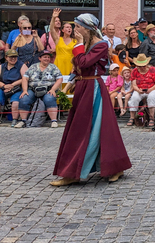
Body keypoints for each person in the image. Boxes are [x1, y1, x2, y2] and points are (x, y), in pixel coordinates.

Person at [50, 14, 131, 186]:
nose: (75, 31)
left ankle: (79, 171)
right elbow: (77, 67)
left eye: (78, 27)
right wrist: (68, 85)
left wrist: (78, 45)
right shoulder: (85, 44)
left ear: (87, 28)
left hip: (93, 89)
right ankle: (106, 167)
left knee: (94, 129)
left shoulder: (100, 45)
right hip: (82, 88)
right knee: (85, 128)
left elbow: (85, 62)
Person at [15, 50, 62, 128]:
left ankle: (54, 121)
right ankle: (23, 121)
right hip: (33, 89)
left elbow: (59, 79)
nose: (47, 59)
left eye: (48, 57)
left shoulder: (53, 67)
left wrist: (53, 89)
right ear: (39, 58)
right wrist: (25, 90)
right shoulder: (33, 66)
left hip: (48, 89)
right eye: (44, 57)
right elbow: (25, 78)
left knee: (49, 99)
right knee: (24, 99)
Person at [128, 54, 155, 128]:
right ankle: (132, 117)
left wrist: (151, 89)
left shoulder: (152, 69)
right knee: (134, 97)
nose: (142, 67)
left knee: (151, 96)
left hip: (152, 88)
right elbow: (134, 84)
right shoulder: (135, 71)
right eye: (140, 66)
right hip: (140, 89)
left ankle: (151, 118)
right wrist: (138, 90)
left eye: (144, 65)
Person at [0, 49, 27, 127]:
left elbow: (25, 78)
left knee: (15, 102)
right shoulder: (1, 66)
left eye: (15, 57)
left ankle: (15, 119)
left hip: (17, 88)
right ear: (6, 57)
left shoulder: (22, 65)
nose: (13, 58)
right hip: (3, 87)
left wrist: (12, 85)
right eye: (11, 57)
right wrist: (4, 86)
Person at [49, 8, 76, 76]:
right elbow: (51, 29)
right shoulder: (58, 39)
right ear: (63, 30)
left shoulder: (75, 41)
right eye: (67, 27)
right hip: (59, 63)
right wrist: (53, 17)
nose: (69, 29)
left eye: (70, 27)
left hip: (70, 64)